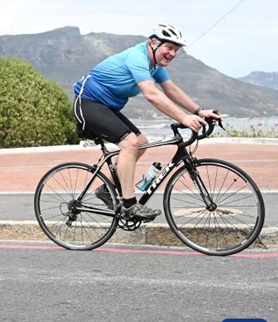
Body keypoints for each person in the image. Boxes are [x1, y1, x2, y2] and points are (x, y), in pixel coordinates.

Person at [72, 23, 222, 221]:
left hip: (108, 108)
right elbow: (151, 94)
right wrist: (184, 118)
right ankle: (129, 205)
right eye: (169, 47)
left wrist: (198, 111)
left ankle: (105, 189)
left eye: (176, 50)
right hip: (88, 103)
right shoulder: (138, 57)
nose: (172, 53)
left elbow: (170, 89)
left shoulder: (155, 66)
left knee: (141, 142)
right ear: (153, 43)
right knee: (130, 144)